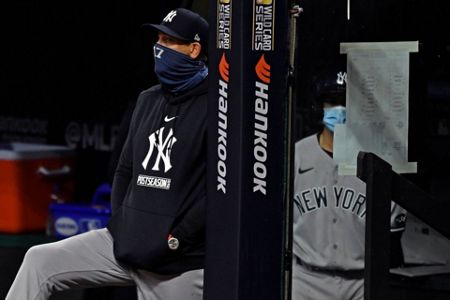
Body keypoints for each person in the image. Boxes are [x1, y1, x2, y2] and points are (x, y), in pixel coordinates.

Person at [7, 8, 209, 300]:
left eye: (169, 41)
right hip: (125, 245)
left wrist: (177, 239)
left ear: (194, 49)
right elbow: (124, 169)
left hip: (177, 264)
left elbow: (217, 192)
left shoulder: (216, 106)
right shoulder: (148, 99)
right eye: (158, 40)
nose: (159, 49)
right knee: (40, 261)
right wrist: (122, 222)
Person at [291, 69, 407, 300]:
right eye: (332, 101)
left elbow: (393, 232)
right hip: (306, 280)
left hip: (361, 283)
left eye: (346, 102)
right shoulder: (297, 155)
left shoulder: (377, 160)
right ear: (319, 107)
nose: (339, 109)